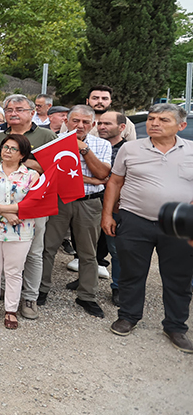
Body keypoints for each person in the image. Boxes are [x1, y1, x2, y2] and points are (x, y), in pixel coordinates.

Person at [102, 104, 193, 353]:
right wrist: (108, 214)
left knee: (179, 276)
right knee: (132, 272)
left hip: (178, 224)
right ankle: (128, 316)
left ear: (181, 126)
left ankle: (175, 326)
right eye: (152, 118)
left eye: (163, 120)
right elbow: (115, 182)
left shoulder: (192, 150)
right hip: (135, 220)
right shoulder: (131, 148)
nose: (154, 123)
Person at [0, 94, 57, 321]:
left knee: (33, 252)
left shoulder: (46, 135)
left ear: (31, 112)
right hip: (1, 206)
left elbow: (56, 170)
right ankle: (3, 293)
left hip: (34, 205)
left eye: (19, 109)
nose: (13, 113)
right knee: (1, 251)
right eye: (9, 110)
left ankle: (29, 297)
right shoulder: (0, 137)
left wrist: (26, 162)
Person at [38, 105, 111, 318]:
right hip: (58, 200)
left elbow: (103, 174)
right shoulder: (53, 142)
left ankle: (87, 295)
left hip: (88, 203)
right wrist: (90, 179)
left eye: (86, 122)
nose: (80, 125)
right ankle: (41, 289)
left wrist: (84, 149)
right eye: (76, 121)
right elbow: (51, 174)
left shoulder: (101, 144)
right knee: (47, 247)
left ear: (93, 124)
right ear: (66, 121)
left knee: (89, 252)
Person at [0, 134, 40, 330]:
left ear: (22, 154)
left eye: (13, 148)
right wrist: (8, 213)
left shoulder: (31, 176)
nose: (7, 151)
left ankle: (11, 309)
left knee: (13, 271)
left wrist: (5, 211)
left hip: (19, 229)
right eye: (5, 147)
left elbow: (31, 204)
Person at [94, 111, 128, 304]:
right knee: (90, 246)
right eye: (99, 123)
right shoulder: (95, 145)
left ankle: (118, 287)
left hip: (115, 206)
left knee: (115, 249)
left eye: (107, 123)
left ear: (121, 127)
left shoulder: (128, 149)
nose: (101, 127)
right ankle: (85, 279)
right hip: (91, 202)